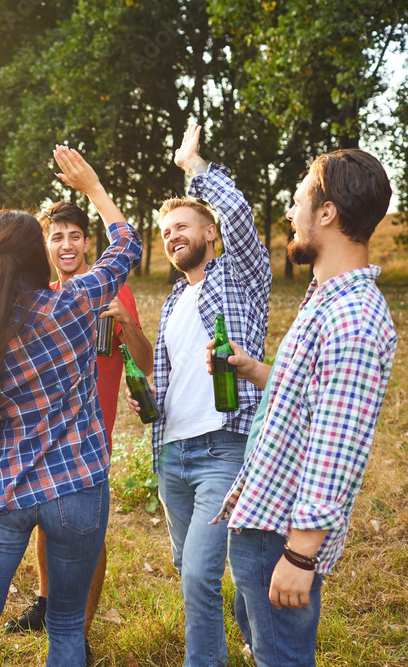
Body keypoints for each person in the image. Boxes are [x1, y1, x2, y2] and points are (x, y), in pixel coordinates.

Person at [0, 145, 142, 667]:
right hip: (76, 484)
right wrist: (93, 188)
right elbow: (127, 247)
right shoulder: (71, 305)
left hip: (3, 492)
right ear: (38, 255)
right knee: (67, 626)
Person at [209, 148, 397, 667]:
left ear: (327, 213)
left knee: (283, 658)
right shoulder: (327, 298)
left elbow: (337, 447)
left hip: (282, 535)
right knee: (261, 641)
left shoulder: (353, 319)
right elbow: (311, 394)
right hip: (262, 518)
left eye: (297, 203)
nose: (290, 214)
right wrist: (252, 369)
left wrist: (299, 554)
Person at [124, 123, 271, 666]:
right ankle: (255, 627)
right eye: (166, 231)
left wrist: (194, 165)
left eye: (183, 226)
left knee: (197, 577)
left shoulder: (240, 277)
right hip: (173, 454)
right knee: (196, 570)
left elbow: (235, 212)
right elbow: (168, 381)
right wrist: (148, 400)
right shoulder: (170, 305)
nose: (172, 236)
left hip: (222, 450)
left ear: (210, 233)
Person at [2, 200, 153, 659]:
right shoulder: (45, 293)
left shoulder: (112, 290)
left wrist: (128, 324)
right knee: (48, 526)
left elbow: (146, 366)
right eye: (56, 237)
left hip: (91, 438)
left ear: (88, 242)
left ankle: (80, 632)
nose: (66, 245)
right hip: (46, 437)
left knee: (87, 534)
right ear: (46, 245)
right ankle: (47, 604)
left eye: (73, 236)